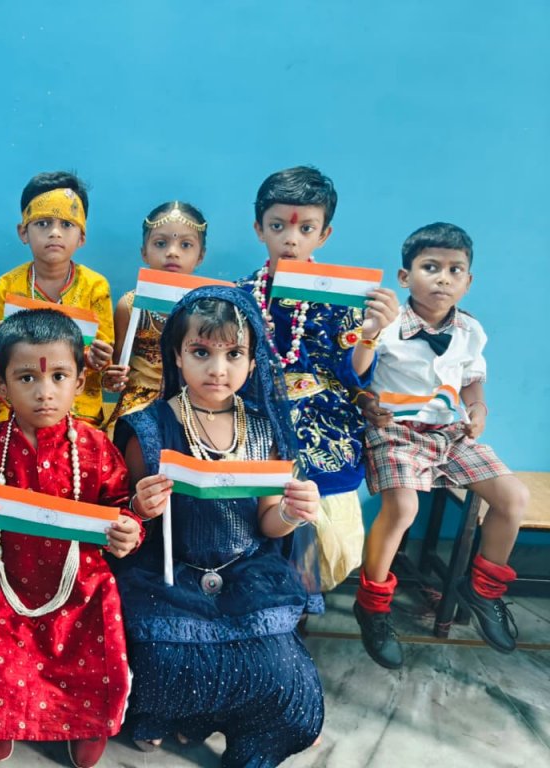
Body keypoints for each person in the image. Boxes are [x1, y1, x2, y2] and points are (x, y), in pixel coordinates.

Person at [113, 286, 323, 768]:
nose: (218, 368)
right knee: (164, 663)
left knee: (283, 677)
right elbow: (124, 523)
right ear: (177, 356)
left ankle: (243, 728)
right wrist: (140, 508)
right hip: (168, 574)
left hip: (248, 573)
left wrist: (292, 512)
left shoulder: (265, 428)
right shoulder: (146, 426)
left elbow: (270, 524)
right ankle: (177, 712)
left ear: (253, 361)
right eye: (202, 352)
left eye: (234, 354)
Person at [0, 309, 143, 768]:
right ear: (0, 387)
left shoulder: (97, 448)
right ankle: (1, 719)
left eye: (59, 376)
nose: (44, 392)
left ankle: (88, 721)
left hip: (81, 584)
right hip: (4, 581)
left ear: (80, 382)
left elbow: (122, 509)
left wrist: (128, 531)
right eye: (26, 378)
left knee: (98, 638)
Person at [354, 223, 529, 669]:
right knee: (404, 508)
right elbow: (356, 374)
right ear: (404, 275)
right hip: (394, 431)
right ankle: (372, 605)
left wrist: (478, 412)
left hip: (447, 433)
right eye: (430, 267)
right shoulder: (387, 326)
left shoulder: (471, 331)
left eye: (455, 270)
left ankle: (483, 590)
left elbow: (472, 379)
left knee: (513, 498)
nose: (443, 278)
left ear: (468, 282)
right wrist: (368, 393)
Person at [234, 166, 399, 600]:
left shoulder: (344, 294)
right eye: (278, 226)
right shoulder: (240, 294)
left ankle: (304, 601)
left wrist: (371, 332)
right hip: (254, 413)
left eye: (306, 228)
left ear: (323, 234)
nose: (291, 239)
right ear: (259, 228)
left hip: (324, 419)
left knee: (322, 539)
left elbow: (353, 372)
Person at [0, 171, 115, 427]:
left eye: (66, 225)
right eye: (43, 223)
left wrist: (100, 358)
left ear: (82, 237)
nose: (55, 233)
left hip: (80, 402)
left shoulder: (96, 286)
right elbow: (0, 358)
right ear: (23, 232)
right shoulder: (9, 284)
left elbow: (103, 358)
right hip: (18, 399)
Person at [103, 200, 208, 433]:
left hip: (193, 400)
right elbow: (117, 371)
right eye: (160, 243)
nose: (172, 252)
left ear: (200, 256)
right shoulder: (130, 305)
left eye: (186, 245)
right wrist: (113, 378)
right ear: (144, 252)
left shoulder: (208, 309)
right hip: (138, 403)